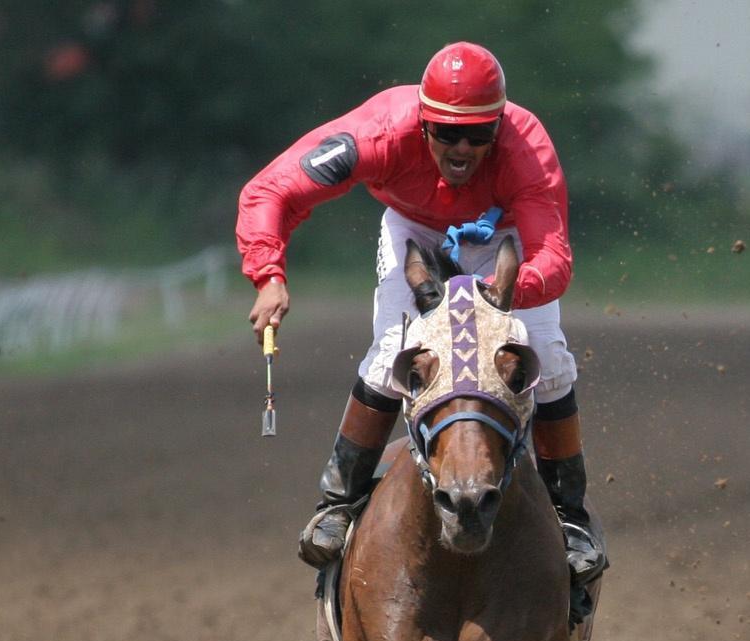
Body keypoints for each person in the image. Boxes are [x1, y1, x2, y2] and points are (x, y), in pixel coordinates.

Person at [236, 42, 607, 594]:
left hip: (501, 236)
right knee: (394, 350)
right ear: (423, 122)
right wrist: (268, 273)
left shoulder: (526, 145)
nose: (462, 148)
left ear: (499, 126)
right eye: (447, 132)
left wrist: (507, 289)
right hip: (412, 230)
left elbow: (553, 256)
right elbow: (270, 190)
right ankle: (338, 503)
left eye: (479, 135)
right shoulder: (380, 133)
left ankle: (570, 516)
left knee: (547, 360)